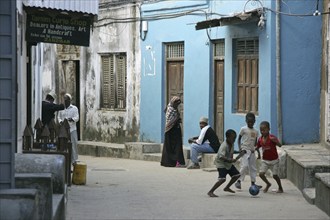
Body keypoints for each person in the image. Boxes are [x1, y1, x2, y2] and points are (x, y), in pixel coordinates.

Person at [207, 129, 245, 197]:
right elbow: (221, 156)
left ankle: (227, 187)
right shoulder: (224, 145)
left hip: (228, 163)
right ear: (227, 138)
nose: (234, 140)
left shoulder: (232, 143)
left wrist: (239, 153)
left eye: (234, 138)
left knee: (237, 175)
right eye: (232, 138)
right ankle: (211, 191)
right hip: (221, 163)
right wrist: (229, 159)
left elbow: (231, 152)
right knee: (222, 179)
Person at [235, 112, 262, 189]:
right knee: (244, 166)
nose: (250, 123)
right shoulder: (243, 129)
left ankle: (253, 183)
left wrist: (258, 152)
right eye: (249, 122)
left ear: (254, 121)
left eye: (252, 122)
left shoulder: (256, 131)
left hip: (252, 151)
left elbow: (256, 143)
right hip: (245, 150)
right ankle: (238, 181)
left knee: (253, 167)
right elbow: (239, 139)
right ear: (246, 121)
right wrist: (240, 148)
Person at [256, 121, 283, 193]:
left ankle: (280, 187)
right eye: (261, 130)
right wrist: (256, 152)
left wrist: (275, 141)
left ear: (268, 129)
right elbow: (257, 147)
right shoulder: (260, 139)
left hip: (274, 160)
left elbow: (280, 145)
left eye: (264, 130)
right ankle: (268, 184)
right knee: (261, 174)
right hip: (265, 160)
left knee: (275, 175)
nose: (262, 132)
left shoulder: (272, 137)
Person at [160, 96, 185, 167]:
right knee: (169, 147)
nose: (177, 105)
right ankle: (169, 162)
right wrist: (177, 119)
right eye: (176, 103)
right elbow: (171, 120)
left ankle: (177, 161)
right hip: (170, 130)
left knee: (177, 146)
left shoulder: (174, 109)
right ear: (173, 102)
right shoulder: (170, 109)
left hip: (175, 130)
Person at [58, 93, 79, 164]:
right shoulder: (61, 109)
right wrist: (60, 122)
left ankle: (74, 160)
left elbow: (77, 117)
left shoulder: (74, 108)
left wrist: (72, 119)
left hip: (72, 129)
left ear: (70, 100)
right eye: (64, 99)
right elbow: (59, 117)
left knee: (73, 144)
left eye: (67, 100)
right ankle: (64, 160)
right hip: (63, 130)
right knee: (63, 145)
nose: (65, 101)